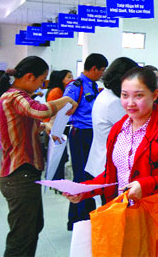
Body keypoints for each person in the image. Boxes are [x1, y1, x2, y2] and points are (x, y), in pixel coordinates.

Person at [0, 56, 77, 256]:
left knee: (32, 227)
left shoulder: (16, 97)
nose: (41, 85)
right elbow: (38, 110)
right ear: (30, 77)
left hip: (24, 172)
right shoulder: (14, 96)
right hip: (19, 172)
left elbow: (26, 122)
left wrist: (45, 127)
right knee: (22, 235)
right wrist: (65, 100)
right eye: (41, 80)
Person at [65, 66, 158, 207]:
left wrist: (145, 185)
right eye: (125, 95)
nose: (130, 103)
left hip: (153, 212)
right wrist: (84, 190)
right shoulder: (119, 129)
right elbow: (112, 176)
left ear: (154, 95)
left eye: (139, 95)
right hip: (121, 210)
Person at [62, 53, 108, 229]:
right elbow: (65, 109)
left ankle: (83, 216)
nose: (102, 74)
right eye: (102, 70)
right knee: (81, 175)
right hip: (80, 133)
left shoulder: (94, 86)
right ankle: (79, 219)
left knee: (89, 174)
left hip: (92, 133)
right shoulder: (76, 86)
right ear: (94, 69)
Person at [85, 57, 137, 180]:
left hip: (99, 160)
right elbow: (135, 131)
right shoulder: (114, 102)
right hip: (106, 165)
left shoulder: (105, 94)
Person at [43, 69, 74, 181]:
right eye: (69, 77)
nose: (72, 79)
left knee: (59, 154)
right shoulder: (57, 91)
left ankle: (56, 178)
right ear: (62, 79)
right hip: (55, 126)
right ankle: (56, 179)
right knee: (58, 154)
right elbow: (56, 111)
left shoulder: (61, 90)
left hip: (58, 125)